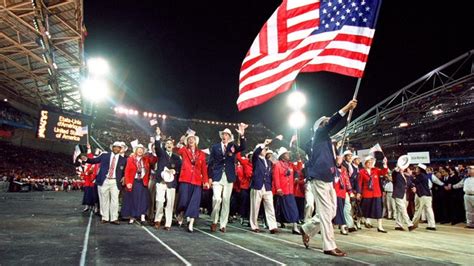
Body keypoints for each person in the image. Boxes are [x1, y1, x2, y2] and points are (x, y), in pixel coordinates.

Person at [300, 99, 357, 257]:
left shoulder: (326, 142)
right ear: (319, 126)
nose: (327, 123)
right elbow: (333, 121)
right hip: (319, 177)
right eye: (324, 122)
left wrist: (336, 161)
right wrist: (347, 107)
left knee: (331, 212)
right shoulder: (319, 134)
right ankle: (329, 245)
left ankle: (307, 228)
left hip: (329, 178)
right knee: (326, 212)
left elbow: (326, 157)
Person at [208, 125, 247, 233]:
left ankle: (223, 224)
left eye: (227, 135)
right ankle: (214, 220)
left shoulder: (232, 146)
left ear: (230, 137)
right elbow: (210, 162)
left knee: (226, 201)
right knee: (217, 199)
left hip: (229, 177)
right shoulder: (215, 147)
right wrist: (210, 177)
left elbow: (243, 147)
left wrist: (242, 134)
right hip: (217, 175)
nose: (225, 136)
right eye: (224, 134)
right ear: (221, 136)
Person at [82, 141, 127, 224]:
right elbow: (94, 161)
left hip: (115, 181)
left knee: (115, 200)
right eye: (115, 147)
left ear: (120, 149)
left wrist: (124, 176)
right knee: (103, 200)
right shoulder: (104, 155)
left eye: (118, 147)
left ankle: (114, 218)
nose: (116, 148)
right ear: (112, 147)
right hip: (104, 180)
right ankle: (105, 217)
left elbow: (125, 170)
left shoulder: (123, 159)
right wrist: (87, 159)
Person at [175, 131, 210, 232]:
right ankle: (181, 213)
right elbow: (178, 150)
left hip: (196, 181)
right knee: (183, 200)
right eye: (189, 139)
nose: (191, 140)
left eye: (193, 139)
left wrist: (206, 181)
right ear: (187, 141)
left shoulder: (201, 154)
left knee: (194, 202)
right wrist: (180, 142)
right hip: (185, 178)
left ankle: (191, 223)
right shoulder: (184, 150)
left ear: (196, 141)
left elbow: (204, 169)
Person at [153, 127, 182, 230]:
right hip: (161, 182)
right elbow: (157, 147)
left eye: (171, 143)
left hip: (171, 184)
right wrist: (157, 135)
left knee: (170, 204)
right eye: (167, 143)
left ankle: (168, 224)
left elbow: (179, 169)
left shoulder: (177, 157)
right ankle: (157, 220)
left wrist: (174, 171)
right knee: (159, 201)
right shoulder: (161, 154)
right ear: (165, 146)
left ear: (173, 146)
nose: (169, 144)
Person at [122, 144, 157, 224]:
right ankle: (132, 216)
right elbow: (127, 171)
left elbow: (154, 160)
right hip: (133, 181)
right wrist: (128, 182)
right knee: (133, 199)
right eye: (139, 149)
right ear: (136, 150)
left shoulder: (146, 159)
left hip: (142, 181)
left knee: (143, 200)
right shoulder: (130, 159)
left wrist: (154, 152)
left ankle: (142, 217)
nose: (140, 151)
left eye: (142, 149)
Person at [249, 139, 278, 234]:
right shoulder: (255, 158)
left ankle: (272, 226)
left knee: (270, 206)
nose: (265, 150)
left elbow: (274, 167)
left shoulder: (268, 161)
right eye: (264, 149)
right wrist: (263, 144)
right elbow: (256, 152)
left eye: (266, 149)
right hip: (257, 185)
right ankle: (254, 225)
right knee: (255, 207)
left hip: (267, 186)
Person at [357, 155, 389, 233]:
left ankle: (380, 227)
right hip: (366, 194)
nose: (371, 163)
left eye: (371, 162)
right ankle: (358, 222)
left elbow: (384, 172)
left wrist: (385, 164)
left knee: (378, 210)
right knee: (363, 210)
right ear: (365, 164)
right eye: (369, 162)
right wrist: (358, 193)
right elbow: (359, 183)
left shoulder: (376, 170)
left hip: (376, 194)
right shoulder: (361, 172)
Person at [273, 147, 300, 234]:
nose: (288, 155)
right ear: (282, 156)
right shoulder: (278, 165)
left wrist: (299, 160)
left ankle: (295, 226)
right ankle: (275, 223)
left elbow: (298, 170)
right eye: (286, 154)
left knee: (293, 208)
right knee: (280, 209)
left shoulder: (290, 165)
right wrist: (278, 188)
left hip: (290, 191)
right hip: (282, 190)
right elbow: (276, 177)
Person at [391, 155, 416, 231]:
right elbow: (394, 173)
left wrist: (413, 187)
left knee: (400, 210)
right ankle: (409, 224)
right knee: (403, 209)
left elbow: (409, 183)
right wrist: (397, 168)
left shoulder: (405, 175)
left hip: (404, 194)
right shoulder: (396, 174)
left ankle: (398, 225)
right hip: (398, 194)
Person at [411, 164, 436, 230]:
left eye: (417, 168)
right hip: (427, 195)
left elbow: (414, 181)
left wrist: (410, 175)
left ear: (420, 169)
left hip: (423, 195)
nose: (415, 169)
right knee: (429, 210)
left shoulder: (421, 175)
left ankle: (413, 224)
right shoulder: (424, 176)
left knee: (419, 210)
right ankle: (432, 225)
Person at [236, 151, 253, 226]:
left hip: (253, 187)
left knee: (251, 203)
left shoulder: (256, 164)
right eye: (251, 156)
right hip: (245, 186)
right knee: (244, 202)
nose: (252, 157)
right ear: (248, 157)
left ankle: (250, 218)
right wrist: (239, 148)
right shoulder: (245, 163)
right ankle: (242, 216)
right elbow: (238, 157)